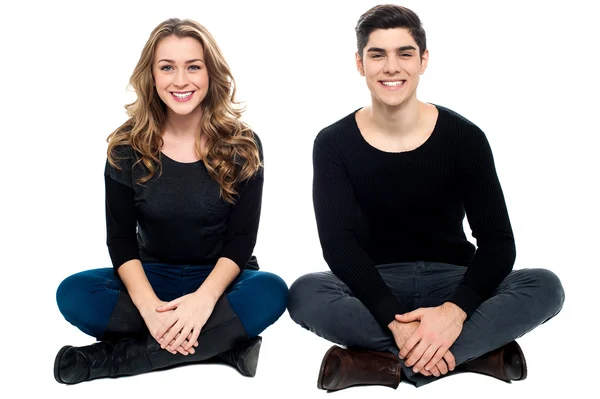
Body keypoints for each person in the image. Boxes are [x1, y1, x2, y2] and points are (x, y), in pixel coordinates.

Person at [287, 4, 565, 391]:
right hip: (374, 284)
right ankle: (475, 355)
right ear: (359, 63)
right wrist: (391, 319)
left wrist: (455, 312)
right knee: (303, 293)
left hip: (452, 279)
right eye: (377, 55)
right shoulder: (334, 143)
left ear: (423, 60)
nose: (391, 67)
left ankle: (381, 364)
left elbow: (499, 242)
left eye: (404, 53)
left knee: (545, 286)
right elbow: (338, 246)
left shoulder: (464, 138)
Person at [54, 17, 288, 385]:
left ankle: (114, 360)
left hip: (221, 280)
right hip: (152, 278)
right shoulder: (125, 147)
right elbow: (120, 239)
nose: (181, 81)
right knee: (74, 293)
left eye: (193, 67)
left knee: (272, 291)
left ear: (211, 73)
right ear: (152, 75)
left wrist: (204, 300)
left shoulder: (243, 144)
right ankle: (222, 344)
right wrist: (148, 307)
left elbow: (242, 240)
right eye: (168, 67)